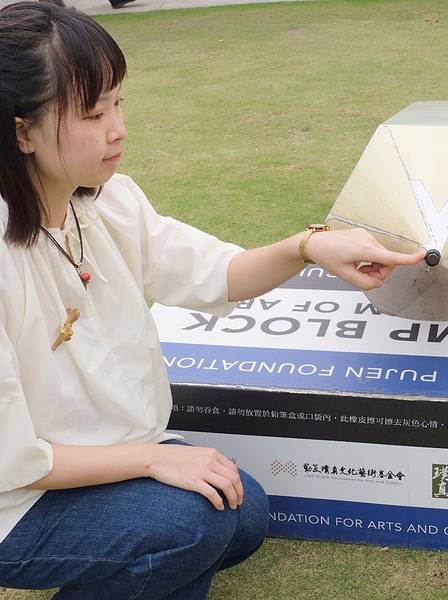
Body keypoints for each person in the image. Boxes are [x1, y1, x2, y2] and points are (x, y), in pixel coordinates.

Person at [0, 1, 425, 598]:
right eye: (93, 113)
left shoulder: (106, 203)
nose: (118, 129)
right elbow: (14, 458)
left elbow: (217, 273)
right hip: (18, 498)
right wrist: (153, 461)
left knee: (243, 513)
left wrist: (308, 247)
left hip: (104, 456)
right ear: (22, 131)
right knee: (192, 525)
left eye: (118, 103)